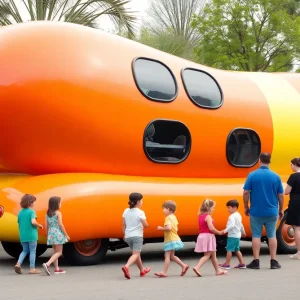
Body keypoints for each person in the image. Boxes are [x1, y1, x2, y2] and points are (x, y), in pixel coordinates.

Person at [243, 152, 284, 269]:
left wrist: (246, 206)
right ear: (270, 162)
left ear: (259, 160)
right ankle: (273, 261)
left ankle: (256, 261)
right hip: (272, 211)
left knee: (256, 235)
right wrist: (280, 209)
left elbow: (246, 192)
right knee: (272, 235)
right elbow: (281, 195)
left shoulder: (252, 175)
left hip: (256, 211)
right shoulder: (276, 176)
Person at [192, 199, 227, 277]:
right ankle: (197, 267)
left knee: (213, 255)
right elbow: (211, 228)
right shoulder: (208, 216)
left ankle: (218, 270)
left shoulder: (200, 216)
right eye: (213, 208)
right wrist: (218, 232)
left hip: (202, 235)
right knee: (207, 255)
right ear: (209, 208)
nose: (213, 209)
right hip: (208, 236)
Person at [154, 200, 189, 278]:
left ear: (169, 209)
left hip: (170, 239)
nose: (163, 210)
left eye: (164, 208)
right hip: (174, 238)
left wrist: (161, 228)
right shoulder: (173, 217)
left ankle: (164, 272)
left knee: (167, 256)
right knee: (172, 256)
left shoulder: (168, 218)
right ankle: (184, 265)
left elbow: (169, 228)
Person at [121, 192, 150, 279]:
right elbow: (145, 225)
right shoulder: (140, 212)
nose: (142, 202)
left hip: (128, 236)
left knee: (136, 254)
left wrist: (124, 234)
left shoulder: (126, 211)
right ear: (138, 202)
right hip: (137, 236)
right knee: (136, 254)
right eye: (142, 200)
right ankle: (126, 266)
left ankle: (142, 271)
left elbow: (123, 224)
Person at [14, 194, 43, 275]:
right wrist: (39, 225)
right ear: (30, 203)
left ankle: (18, 264)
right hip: (31, 235)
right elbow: (33, 222)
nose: (34, 203)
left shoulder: (20, 213)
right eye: (33, 202)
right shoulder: (31, 211)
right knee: (33, 251)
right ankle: (32, 268)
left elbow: (20, 223)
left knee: (25, 250)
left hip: (23, 235)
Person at [42, 196, 70, 275]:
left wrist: (48, 235)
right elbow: (61, 225)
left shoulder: (47, 214)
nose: (61, 204)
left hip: (51, 233)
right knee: (59, 252)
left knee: (55, 252)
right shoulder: (58, 213)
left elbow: (46, 226)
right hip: (57, 233)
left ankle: (57, 268)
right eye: (60, 202)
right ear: (56, 204)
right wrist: (66, 235)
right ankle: (47, 264)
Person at [219, 199, 246, 269]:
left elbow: (232, 225)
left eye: (229, 208)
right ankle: (242, 263)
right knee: (237, 250)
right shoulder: (239, 215)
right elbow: (241, 225)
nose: (228, 209)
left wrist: (224, 231)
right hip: (237, 236)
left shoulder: (232, 216)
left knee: (229, 249)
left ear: (235, 208)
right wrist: (243, 232)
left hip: (232, 236)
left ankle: (227, 264)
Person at [284, 157, 300, 259]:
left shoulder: (294, 177)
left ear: (294, 165)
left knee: (297, 228)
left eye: (291, 165)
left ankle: (299, 252)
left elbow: (286, 191)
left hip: (296, 203)